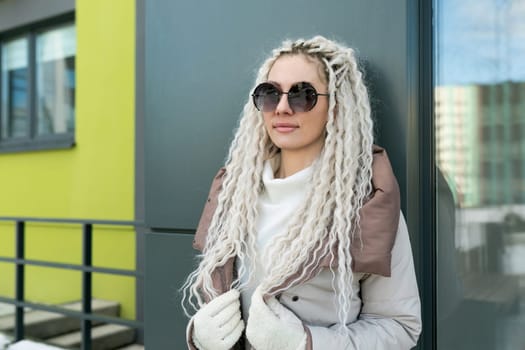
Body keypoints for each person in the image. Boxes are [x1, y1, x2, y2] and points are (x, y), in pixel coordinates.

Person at [182, 35, 421, 350]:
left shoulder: (367, 205)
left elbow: (400, 327)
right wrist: (198, 335)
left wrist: (306, 344)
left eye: (302, 95)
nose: (281, 108)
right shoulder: (233, 196)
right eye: (270, 94)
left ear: (335, 107)